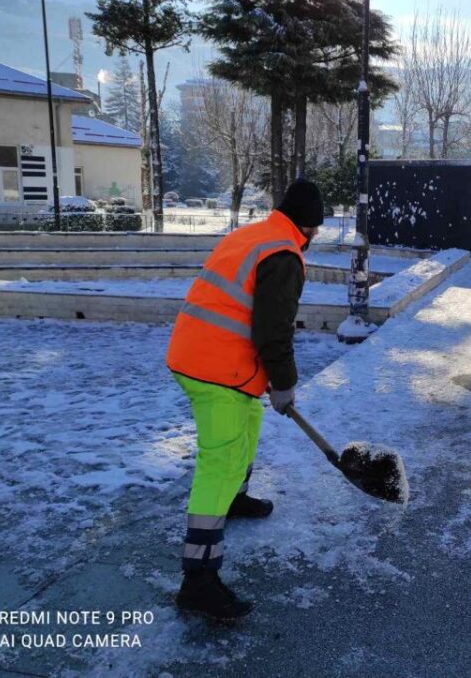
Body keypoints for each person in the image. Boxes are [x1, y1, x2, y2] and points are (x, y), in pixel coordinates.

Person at [165, 180, 324, 621]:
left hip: (203, 355)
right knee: (219, 461)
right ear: (310, 227)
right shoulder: (284, 254)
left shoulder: (255, 234)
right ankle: (197, 580)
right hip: (215, 370)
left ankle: (236, 498)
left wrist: (269, 384)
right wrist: (285, 383)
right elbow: (274, 330)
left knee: (249, 423)